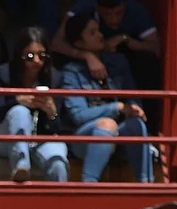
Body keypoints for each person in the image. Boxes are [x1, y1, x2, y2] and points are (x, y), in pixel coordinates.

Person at [59, 12, 152, 183]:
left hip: (120, 134)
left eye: (99, 30)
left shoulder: (118, 62)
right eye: (92, 33)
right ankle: (89, 186)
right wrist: (115, 108)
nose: (101, 35)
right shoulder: (72, 72)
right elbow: (78, 116)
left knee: (136, 124)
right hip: (85, 138)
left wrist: (134, 107)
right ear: (79, 43)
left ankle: (146, 185)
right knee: (107, 124)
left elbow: (132, 95)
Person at [0, 26, 68, 183]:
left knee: (58, 162)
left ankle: (59, 204)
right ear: (19, 55)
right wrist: (17, 101)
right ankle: (21, 168)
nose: (37, 61)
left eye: (42, 56)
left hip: (41, 137)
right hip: (6, 138)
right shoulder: (4, 73)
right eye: (29, 56)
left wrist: (51, 112)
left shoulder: (55, 77)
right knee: (19, 111)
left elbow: (59, 128)